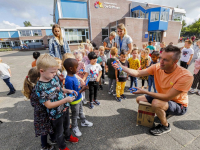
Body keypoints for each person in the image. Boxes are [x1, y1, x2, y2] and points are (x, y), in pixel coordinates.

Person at [112, 45, 193, 136]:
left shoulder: (186, 76)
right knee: (139, 99)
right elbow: (138, 73)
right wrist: (122, 67)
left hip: (178, 104)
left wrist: (144, 91)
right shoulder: (157, 67)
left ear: (175, 62)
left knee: (156, 103)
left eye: (165, 60)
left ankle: (165, 126)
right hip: (163, 98)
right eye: (161, 58)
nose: (161, 62)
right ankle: (163, 111)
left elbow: (168, 97)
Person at [35, 53, 78, 150]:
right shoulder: (40, 87)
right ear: (41, 71)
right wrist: (65, 100)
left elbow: (59, 89)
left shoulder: (52, 77)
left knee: (67, 125)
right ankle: (62, 146)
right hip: (55, 114)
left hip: (64, 108)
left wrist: (68, 90)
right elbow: (49, 105)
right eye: (53, 72)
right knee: (58, 132)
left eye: (56, 71)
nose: (55, 74)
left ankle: (68, 136)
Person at [22, 67, 55, 150]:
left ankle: (53, 138)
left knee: (48, 127)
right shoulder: (38, 90)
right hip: (42, 114)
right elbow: (46, 102)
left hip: (39, 113)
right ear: (38, 78)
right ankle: (44, 146)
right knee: (44, 131)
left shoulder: (33, 88)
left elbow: (33, 104)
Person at [64, 58, 93, 137]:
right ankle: (74, 126)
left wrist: (82, 86)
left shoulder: (73, 75)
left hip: (79, 98)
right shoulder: (69, 80)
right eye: (76, 67)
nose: (77, 69)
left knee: (81, 111)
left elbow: (76, 88)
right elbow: (72, 95)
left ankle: (83, 121)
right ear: (70, 68)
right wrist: (82, 90)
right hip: (74, 101)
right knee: (75, 114)